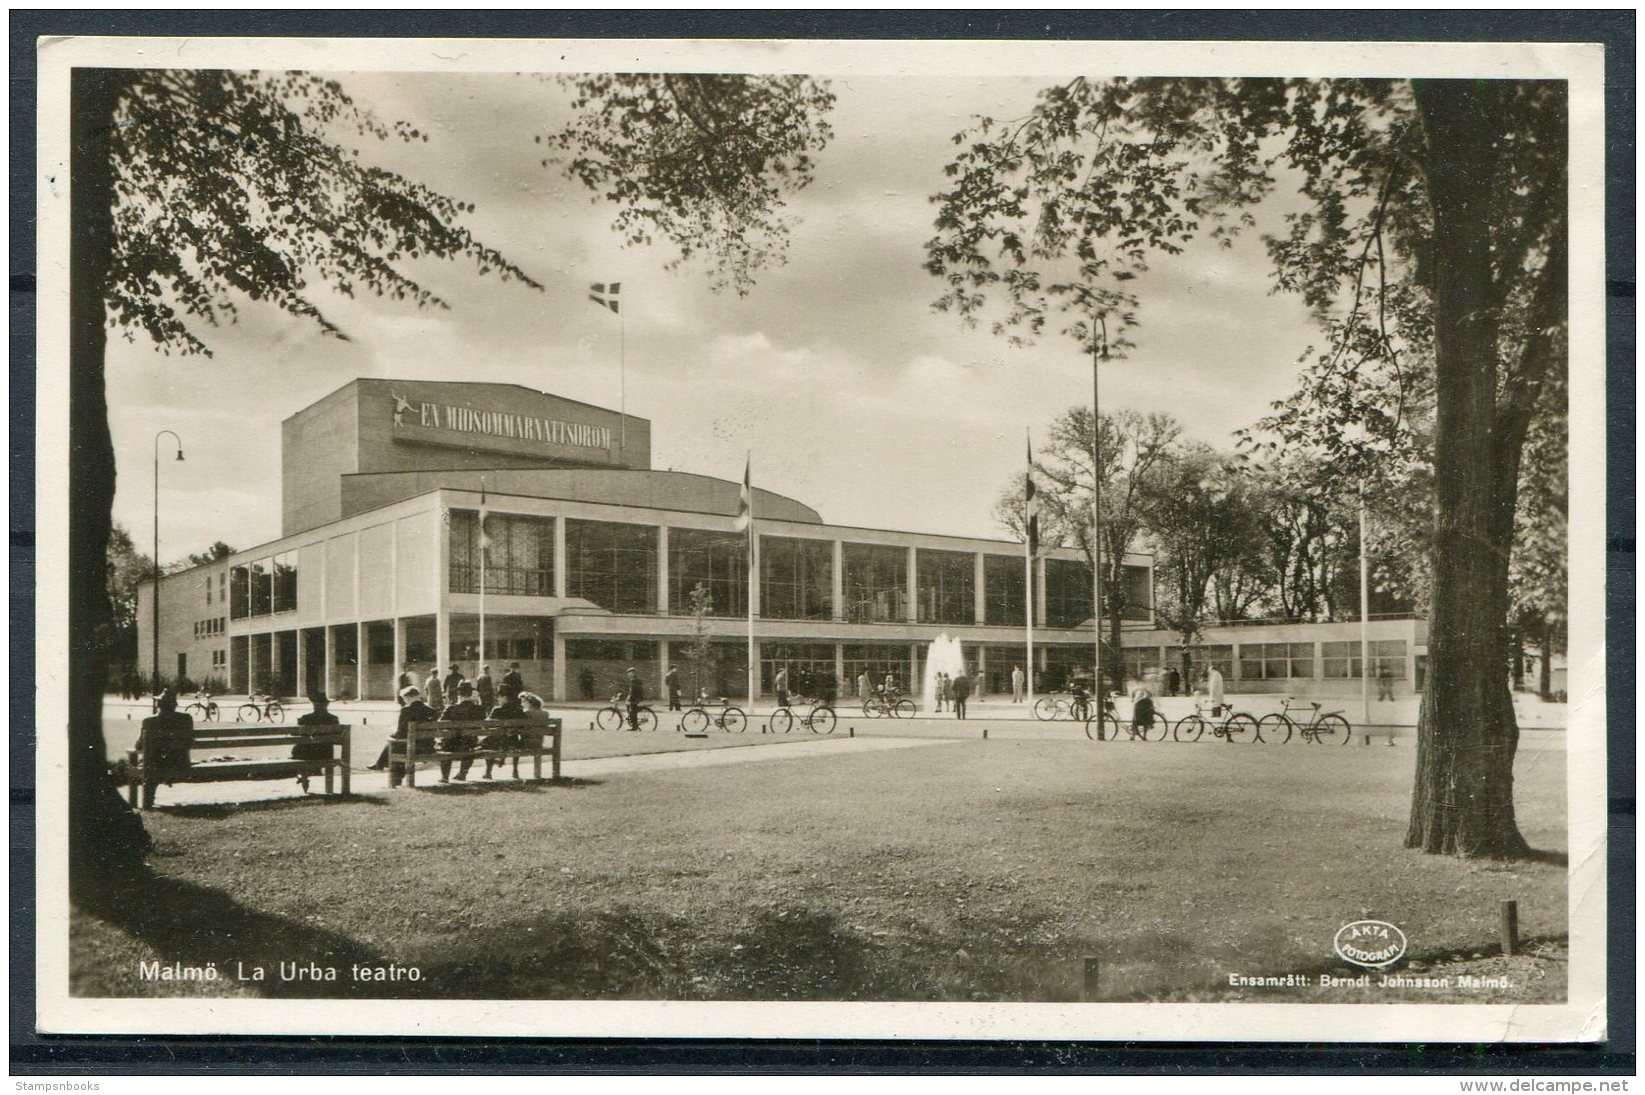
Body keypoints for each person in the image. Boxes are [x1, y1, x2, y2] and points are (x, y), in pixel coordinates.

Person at [138, 689, 194, 809]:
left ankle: (148, 801)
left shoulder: (149, 721)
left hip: (155, 765)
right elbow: (189, 743)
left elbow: (138, 746)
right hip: (181, 764)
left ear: (159, 705)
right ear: (175, 705)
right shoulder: (186, 719)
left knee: (149, 765)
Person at [387, 686, 437, 788]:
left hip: (413, 748)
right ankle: (380, 765)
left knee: (394, 745)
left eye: (404, 699)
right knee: (398, 745)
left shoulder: (406, 710)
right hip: (428, 746)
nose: (404, 701)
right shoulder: (431, 710)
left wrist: (392, 735)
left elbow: (400, 733)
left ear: (408, 698)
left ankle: (395, 780)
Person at [438, 681, 487, 782]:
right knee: (469, 745)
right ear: (470, 693)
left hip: (452, 744)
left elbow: (440, 725)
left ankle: (445, 776)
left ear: (459, 694)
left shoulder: (451, 708)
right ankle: (462, 773)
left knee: (445, 744)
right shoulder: (479, 709)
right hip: (470, 744)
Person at [293, 692, 340, 793]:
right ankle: (328, 788)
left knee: (300, 748)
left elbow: (295, 734)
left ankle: (303, 774)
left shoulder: (305, 718)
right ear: (326, 705)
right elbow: (338, 739)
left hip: (305, 754)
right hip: (326, 754)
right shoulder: (333, 719)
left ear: (314, 704)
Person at [482, 689, 525, 780]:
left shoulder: (497, 710)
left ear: (504, 697)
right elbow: (523, 727)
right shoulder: (519, 710)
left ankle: (488, 772)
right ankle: (515, 771)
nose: (497, 699)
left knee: (486, 742)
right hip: (513, 741)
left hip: (497, 741)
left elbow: (486, 725)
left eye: (498, 697)